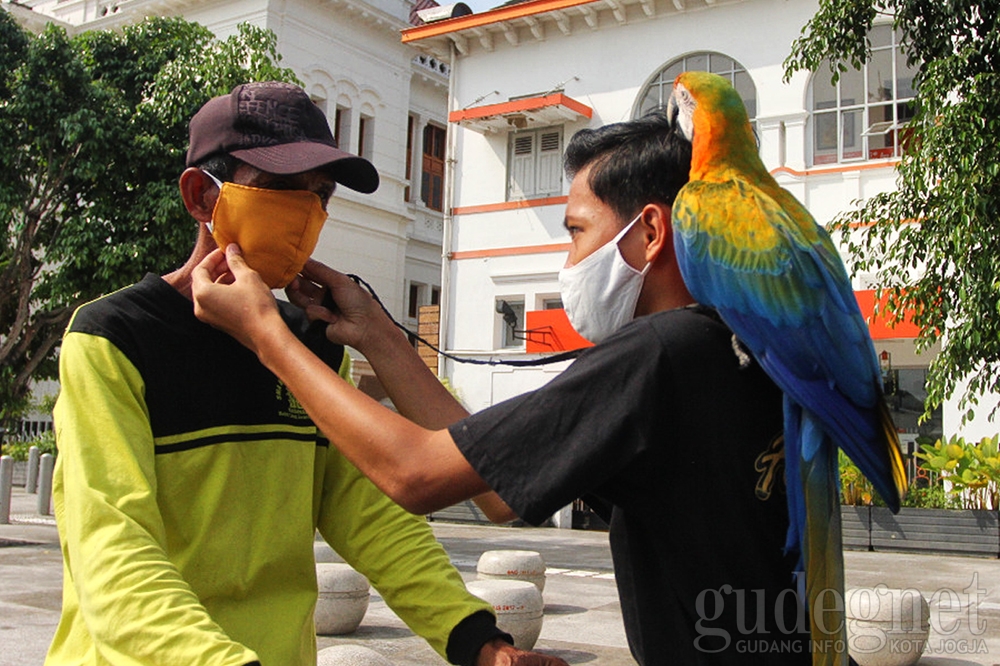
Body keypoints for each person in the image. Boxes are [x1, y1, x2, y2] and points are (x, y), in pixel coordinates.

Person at [192, 112, 814, 664]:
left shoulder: (657, 355)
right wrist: (380, 336)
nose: (569, 262)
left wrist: (267, 336)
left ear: (650, 232)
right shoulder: (748, 348)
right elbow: (497, 491)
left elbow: (414, 475)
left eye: (576, 231)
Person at [48, 81, 567, 666]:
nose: (305, 216)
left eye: (319, 195)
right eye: (280, 191)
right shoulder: (114, 338)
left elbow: (369, 517)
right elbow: (113, 548)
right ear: (201, 196)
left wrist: (480, 642)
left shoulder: (312, 347)